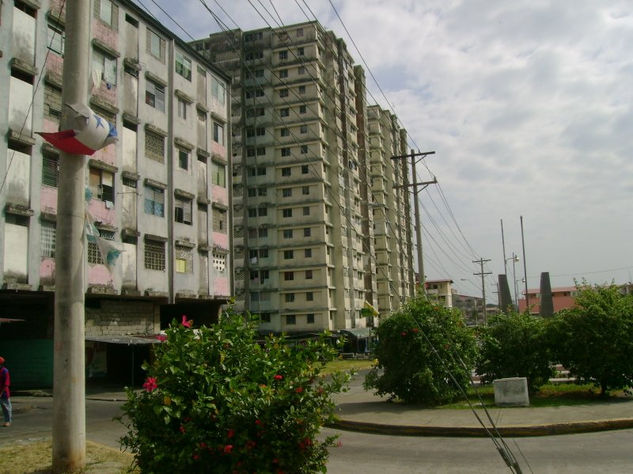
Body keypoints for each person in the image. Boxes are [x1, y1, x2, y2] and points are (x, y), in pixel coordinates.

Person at [0, 356, 11, 427]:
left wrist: (0, 393)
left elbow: (6, 384)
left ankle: (8, 421)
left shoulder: (5, 371)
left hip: (4, 393)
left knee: (6, 407)